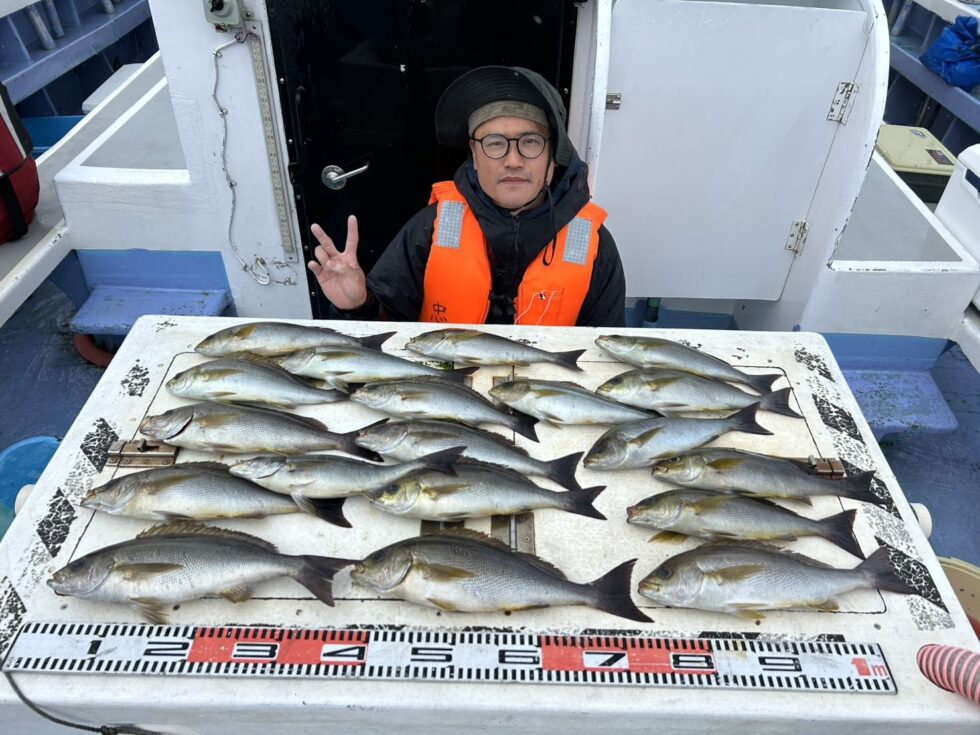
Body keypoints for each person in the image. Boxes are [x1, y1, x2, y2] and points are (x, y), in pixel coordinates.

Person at [308, 66, 626, 327]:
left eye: (530, 142)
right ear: (474, 154)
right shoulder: (431, 227)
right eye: (494, 142)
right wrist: (357, 306)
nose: (513, 160)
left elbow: (603, 353)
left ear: (553, 156)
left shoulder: (594, 244)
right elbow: (387, 332)